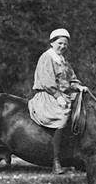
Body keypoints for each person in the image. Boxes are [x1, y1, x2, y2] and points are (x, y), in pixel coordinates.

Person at [28, 28, 86, 175]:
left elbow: (71, 78)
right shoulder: (47, 57)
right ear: (52, 43)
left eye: (65, 44)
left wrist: (78, 86)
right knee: (63, 116)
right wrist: (58, 96)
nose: (62, 47)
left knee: (83, 110)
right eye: (60, 43)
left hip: (64, 94)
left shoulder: (63, 61)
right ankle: (56, 161)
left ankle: (76, 155)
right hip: (48, 95)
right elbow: (47, 81)